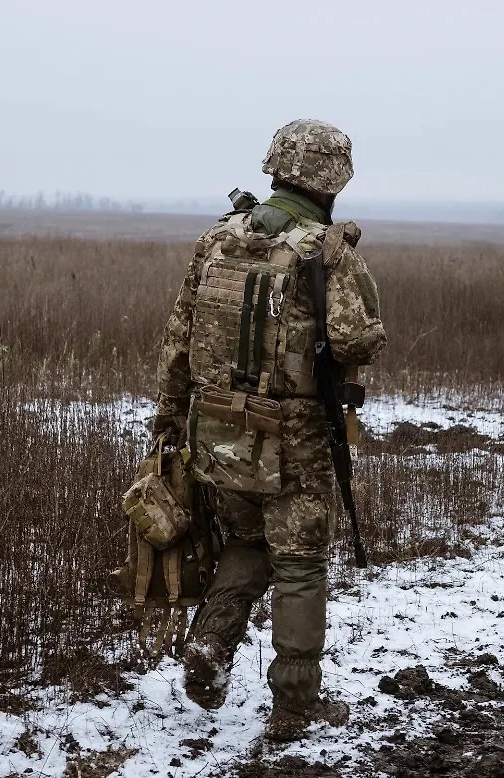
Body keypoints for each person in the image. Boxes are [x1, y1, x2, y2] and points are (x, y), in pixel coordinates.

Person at [151, 119, 386, 742]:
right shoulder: (323, 250)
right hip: (295, 439)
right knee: (301, 564)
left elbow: (178, 340)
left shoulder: (218, 237)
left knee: (249, 541)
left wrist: (170, 419)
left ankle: (209, 645)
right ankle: (295, 707)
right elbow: (359, 338)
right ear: (333, 179)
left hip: (216, 433)